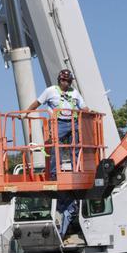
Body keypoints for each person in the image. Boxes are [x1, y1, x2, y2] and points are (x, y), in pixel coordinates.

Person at [29, 68, 86, 243]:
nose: (66, 84)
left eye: (68, 81)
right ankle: (54, 172)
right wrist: (27, 112)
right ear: (59, 80)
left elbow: (83, 107)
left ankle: (79, 169)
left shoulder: (74, 93)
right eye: (64, 81)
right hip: (58, 122)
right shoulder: (50, 91)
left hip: (73, 121)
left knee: (77, 146)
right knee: (56, 148)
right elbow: (37, 103)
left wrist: (89, 112)